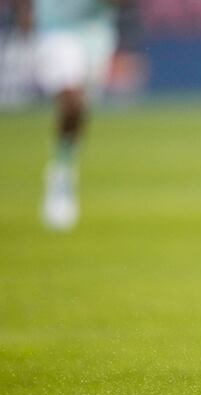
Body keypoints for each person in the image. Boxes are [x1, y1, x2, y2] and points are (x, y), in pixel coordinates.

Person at [15, 0, 119, 231]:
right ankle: (60, 180)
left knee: (80, 109)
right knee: (72, 99)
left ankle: (64, 163)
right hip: (54, 30)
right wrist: (23, 13)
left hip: (95, 33)